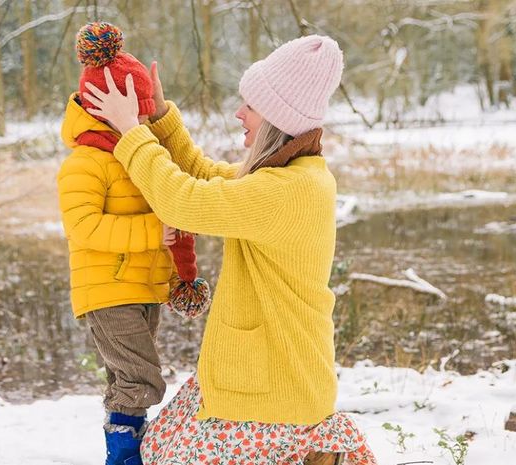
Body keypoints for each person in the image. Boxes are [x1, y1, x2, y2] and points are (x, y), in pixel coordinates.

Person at [83, 35, 377, 464]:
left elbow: (183, 201)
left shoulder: (285, 191)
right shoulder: (290, 176)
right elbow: (203, 176)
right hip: (265, 378)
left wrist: (130, 131)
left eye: (250, 106)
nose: (239, 113)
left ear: (277, 118)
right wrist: (160, 118)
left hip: (271, 393)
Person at [56, 22, 177, 465]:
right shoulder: (85, 164)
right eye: (136, 115)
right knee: (141, 376)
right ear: (105, 110)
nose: (142, 124)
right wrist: (153, 232)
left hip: (143, 285)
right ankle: (125, 456)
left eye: (146, 115)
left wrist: (161, 114)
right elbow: (83, 227)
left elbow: (181, 173)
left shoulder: (136, 152)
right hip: (107, 289)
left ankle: (129, 448)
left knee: (126, 377)